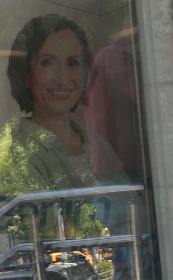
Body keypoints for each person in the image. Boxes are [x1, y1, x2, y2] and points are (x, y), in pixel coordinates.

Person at [7, 15, 111, 193]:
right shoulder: (21, 154)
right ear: (26, 74)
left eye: (73, 63)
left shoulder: (95, 143)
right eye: (47, 63)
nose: (62, 78)